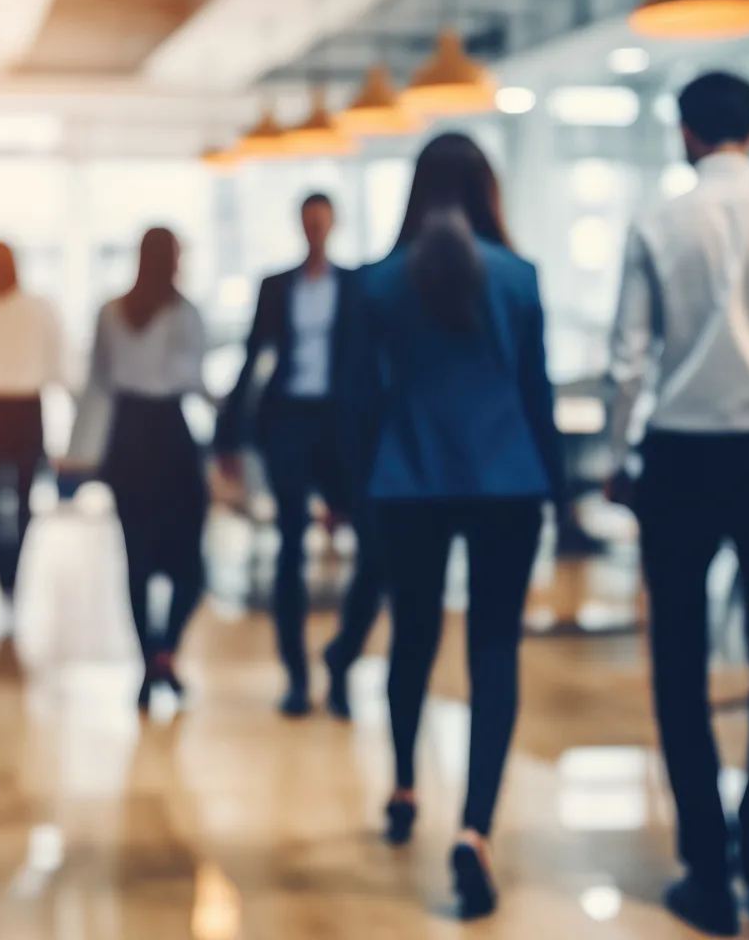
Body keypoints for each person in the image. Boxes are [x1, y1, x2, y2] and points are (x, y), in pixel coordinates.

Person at [601, 71, 749, 936]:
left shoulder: (659, 221)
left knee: (679, 659)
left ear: (686, 132)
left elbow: (629, 357)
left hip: (682, 457)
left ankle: (707, 871)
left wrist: (616, 453)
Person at [339, 133, 562, 922]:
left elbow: (360, 402)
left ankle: (404, 783)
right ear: (487, 190)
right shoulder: (520, 279)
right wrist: (559, 497)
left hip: (410, 480)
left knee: (413, 637)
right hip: (507, 481)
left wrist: (354, 495)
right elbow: (538, 399)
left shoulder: (377, 285)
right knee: (495, 648)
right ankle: (474, 830)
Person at [214, 193, 383, 719]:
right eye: (307, 221)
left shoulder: (356, 286)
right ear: (300, 226)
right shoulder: (276, 287)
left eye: (322, 221)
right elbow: (253, 358)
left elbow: (372, 362)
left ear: (333, 225)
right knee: (290, 546)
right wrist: (228, 436)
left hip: (342, 426)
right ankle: (295, 673)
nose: (315, 229)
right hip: (288, 422)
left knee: (375, 550)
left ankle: (342, 656)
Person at [67, 228, 210, 713]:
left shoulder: (112, 312)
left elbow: (97, 385)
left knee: (140, 560)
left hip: (128, 439)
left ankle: (153, 658)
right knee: (186, 564)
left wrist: (82, 449)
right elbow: (192, 378)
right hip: (166, 434)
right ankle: (164, 650)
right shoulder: (183, 313)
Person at [0, 242, 66, 600]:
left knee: (0, 493)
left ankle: (9, 568)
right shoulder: (24, 309)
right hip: (14, 408)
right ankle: (9, 568)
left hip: (0, 408)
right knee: (10, 494)